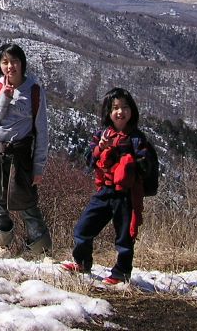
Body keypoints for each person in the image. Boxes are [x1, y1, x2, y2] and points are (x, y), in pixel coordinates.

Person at [61, 87, 153, 284]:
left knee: (124, 236)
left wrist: (127, 164)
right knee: (83, 227)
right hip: (105, 190)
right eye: (115, 108)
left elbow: (146, 164)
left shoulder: (137, 138)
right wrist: (100, 148)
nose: (120, 112)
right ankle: (82, 262)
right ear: (108, 113)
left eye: (125, 107)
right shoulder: (101, 135)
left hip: (126, 194)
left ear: (132, 111)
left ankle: (121, 273)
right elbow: (89, 160)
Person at [0, 42, 51, 259]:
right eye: (5, 62)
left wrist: (39, 168)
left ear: (22, 63)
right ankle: (4, 248)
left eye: (14, 61)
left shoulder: (34, 92)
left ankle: (41, 250)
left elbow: (42, 132)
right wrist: (3, 99)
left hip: (21, 154)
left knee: (27, 202)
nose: (10, 66)